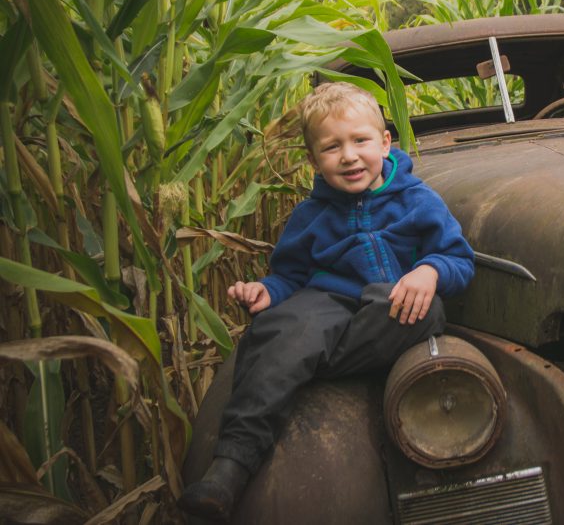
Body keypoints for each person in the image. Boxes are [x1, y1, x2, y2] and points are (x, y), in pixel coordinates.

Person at [180, 82, 475, 521]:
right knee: (283, 327)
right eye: (332, 147)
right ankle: (231, 466)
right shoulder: (310, 216)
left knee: (427, 313)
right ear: (314, 159)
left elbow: (459, 260)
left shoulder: (418, 200)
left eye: (360, 141)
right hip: (324, 304)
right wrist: (267, 292)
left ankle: (299, 364)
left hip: (387, 309)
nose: (349, 156)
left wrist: (429, 270)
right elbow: (290, 276)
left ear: (385, 142)